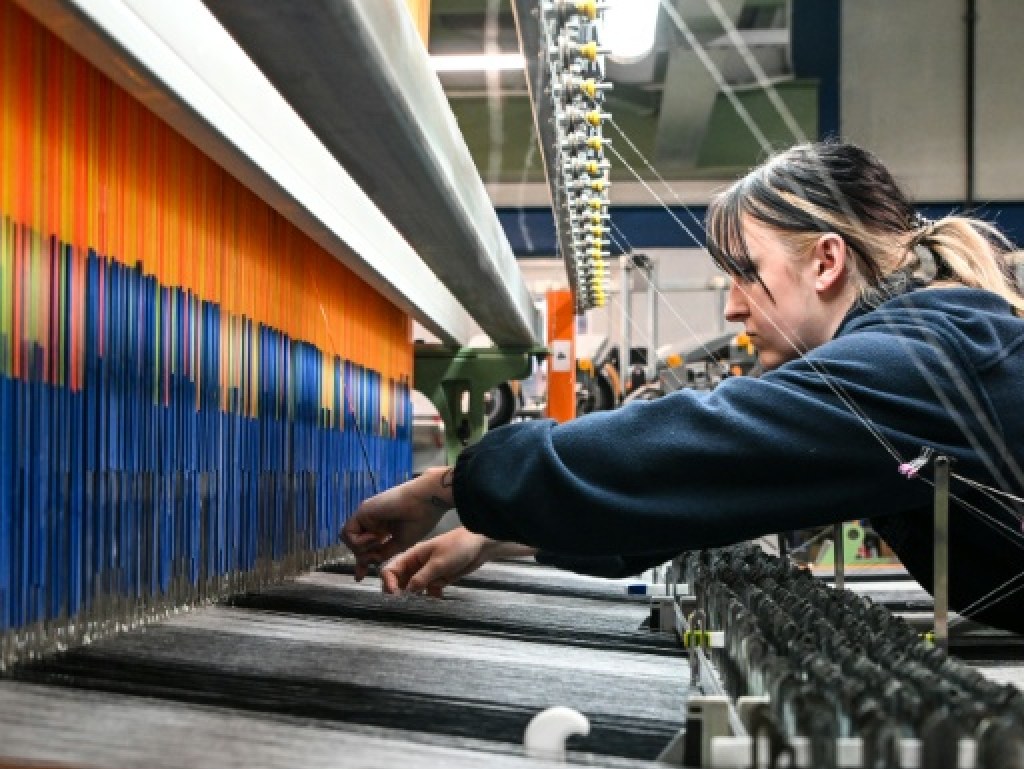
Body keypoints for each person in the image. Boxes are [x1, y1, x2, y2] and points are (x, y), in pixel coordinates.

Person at [342, 141, 1024, 632]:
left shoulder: (923, 359)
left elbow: (699, 444)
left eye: (746, 272)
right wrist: (490, 534)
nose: (731, 308)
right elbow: (715, 495)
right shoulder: (936, 342)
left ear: (825, 261)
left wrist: (451, 486)